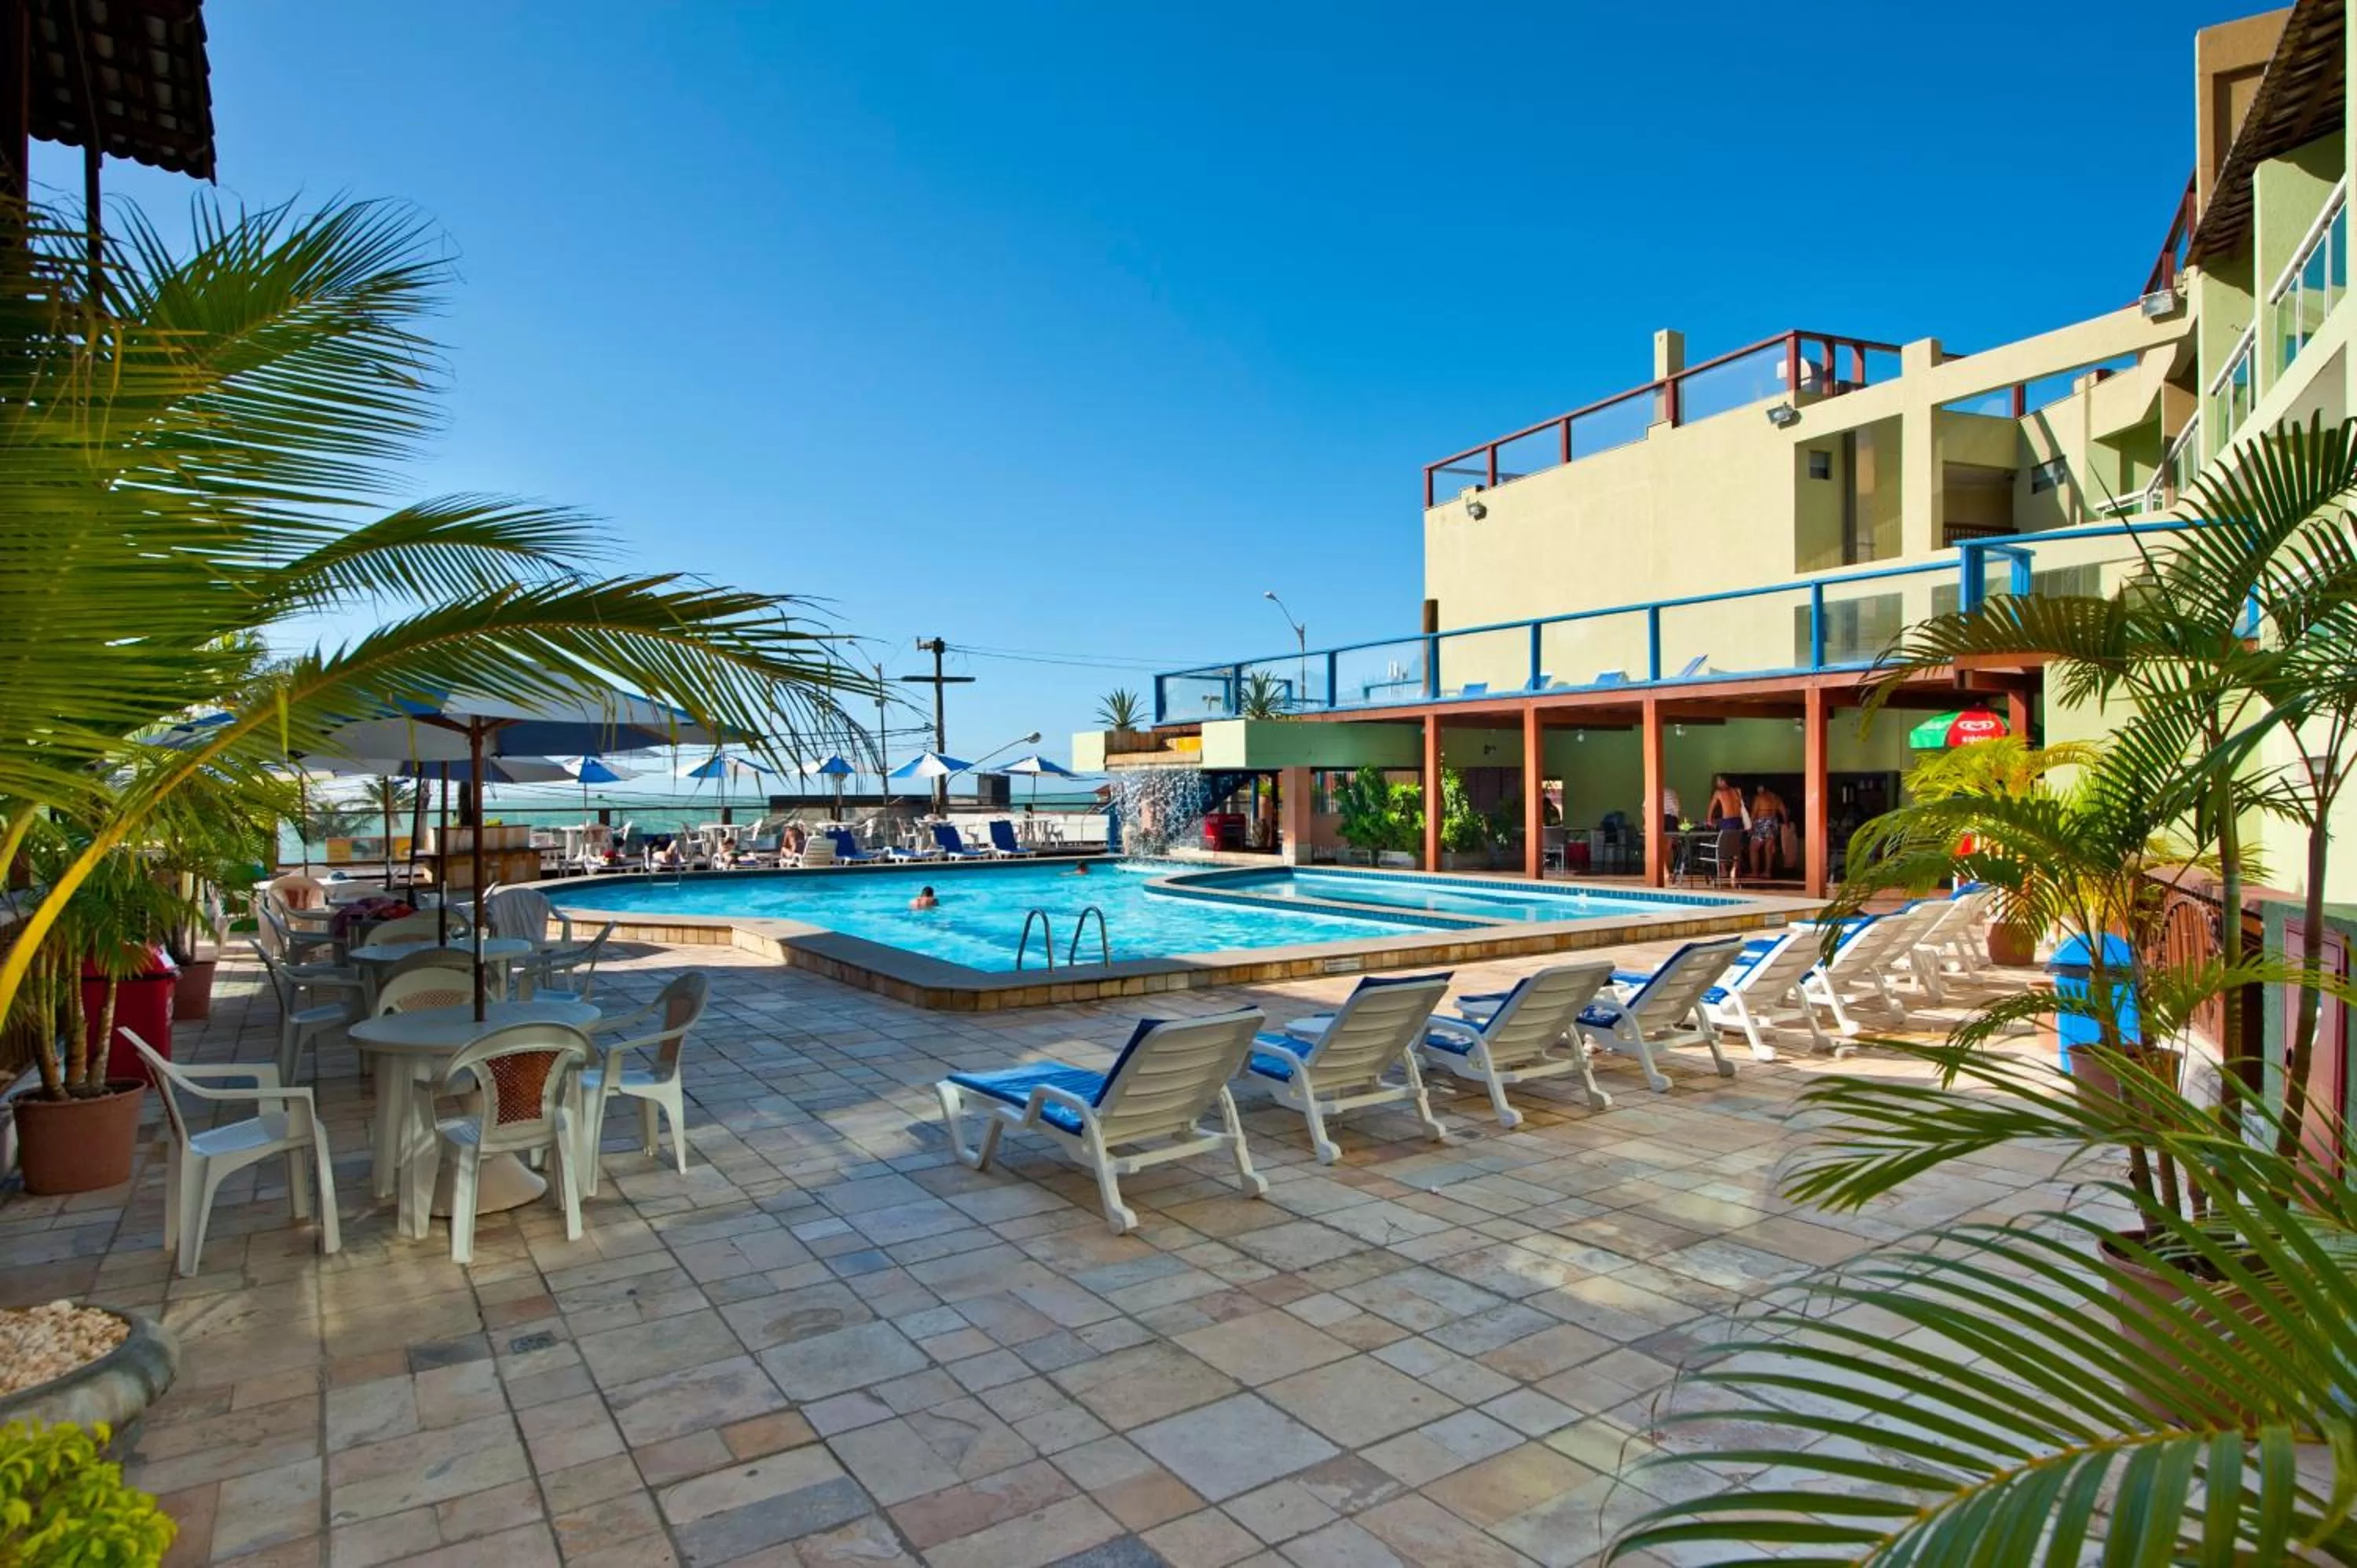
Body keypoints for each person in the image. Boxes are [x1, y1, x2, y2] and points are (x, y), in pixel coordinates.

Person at [1706, 775, 1747, 887]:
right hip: (1738, 820)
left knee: (1722, 846)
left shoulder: (1718, 792)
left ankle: (1723, 870)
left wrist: (1709, 820)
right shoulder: (1737, 791)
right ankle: (1734, 869)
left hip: (1727, 821)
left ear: (1723, 781)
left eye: (1718, 781)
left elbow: (1711, 807)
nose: (1717, 784)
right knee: (1736, 846)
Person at [1747, 787, 1789, 881]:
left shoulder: (1759, 798)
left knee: (1753, 848)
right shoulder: (1777, 799)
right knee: (1768, 849)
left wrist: (1750, 827)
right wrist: (1786, 823)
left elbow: (1754, 813)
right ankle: (1767, 872)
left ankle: (1755, 872)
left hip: (1762, 823)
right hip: (1773, 823)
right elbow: (1784, 812)